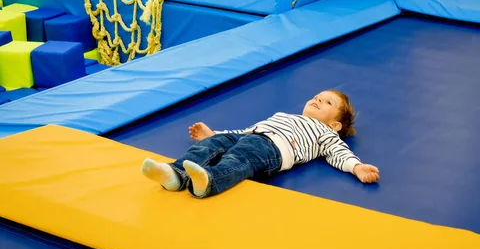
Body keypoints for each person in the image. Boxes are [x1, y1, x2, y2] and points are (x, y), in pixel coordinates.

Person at [141, 90, 380, 198]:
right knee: (213, 145)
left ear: (335, 125)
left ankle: (209, 181)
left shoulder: (325, 132)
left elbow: (339, 152)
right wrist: (215, 134)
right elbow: (245, 131)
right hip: (252, 136)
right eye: (316, 97)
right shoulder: (284, 116)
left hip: (274, 150)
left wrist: (356, 167)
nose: (317, 100)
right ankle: (175, 174)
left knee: (240, 159)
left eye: (326, 102)